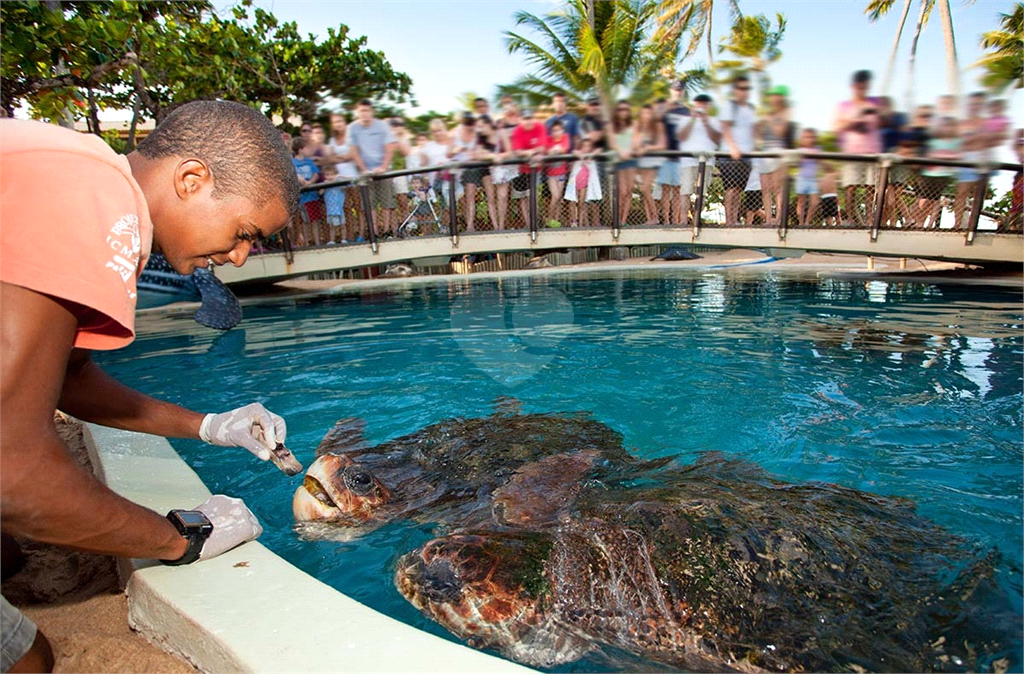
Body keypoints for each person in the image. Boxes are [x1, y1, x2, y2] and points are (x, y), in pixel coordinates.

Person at [0, 100, 301, 673]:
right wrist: (181, 537)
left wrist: (211, 427)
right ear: (192, 179)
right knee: (27, 660)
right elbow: (12, 472)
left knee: (8, 556)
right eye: (244, 233)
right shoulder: (94, 198)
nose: (239, 257)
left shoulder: (70, 170)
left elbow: (71, 381)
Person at [833, 70, 882, 226]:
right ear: (854, 86)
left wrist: (874, 113)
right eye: (860, 86)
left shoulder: (875, 103)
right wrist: (856, 119)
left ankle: (869, 220)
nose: (863, 89)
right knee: (851, 186)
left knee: (870, 187)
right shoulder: (844, 106)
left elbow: (883, 122)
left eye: (866, 86)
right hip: (852, 152)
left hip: (872, 151)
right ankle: (849, 219)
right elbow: (838, 127)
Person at [347, 99, 398, 238]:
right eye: (361, 111)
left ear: (371, 111)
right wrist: (363, 170)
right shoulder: (353, 128)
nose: (364, 114)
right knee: (370, 204)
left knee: (387, 202)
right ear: (357, 112)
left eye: (367, 110)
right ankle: (374, 232)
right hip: (366, 172)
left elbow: (390, 148)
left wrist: (383, 167)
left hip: (383, 170)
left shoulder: (382, 126)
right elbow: (354, 151)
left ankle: (387, 231)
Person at [676, 93, 720, 228]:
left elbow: (717, 139)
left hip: (706, 162)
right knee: (685, 191)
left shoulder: (714, 121)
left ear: (709, 106)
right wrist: (693, 119)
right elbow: (681, 136)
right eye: (699, 103)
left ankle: (696, 219)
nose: (701, 106)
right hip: (688, 161)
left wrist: (706, 122)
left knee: (701, 192)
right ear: (694, 105)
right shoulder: (685, 120)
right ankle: (683, 220)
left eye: (704, 104)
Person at [719, 74, 757, 225]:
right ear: (735, 90)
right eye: (741, 88)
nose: (744, 91)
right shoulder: (729, 105)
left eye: (747, 88)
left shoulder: (750, 109)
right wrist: (733, 147)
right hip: (730, 154)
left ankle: (734, 219)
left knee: (739, 189)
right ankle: (729, 220)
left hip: (747, 155)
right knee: (731, 187)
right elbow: (725, 127)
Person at [757, 85, 796, 226]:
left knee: (778, 188)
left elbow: (781, 132)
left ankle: (779, 219)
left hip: (779, 153)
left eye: (776, 95)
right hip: (764, 153)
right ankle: (768, 219)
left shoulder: (787, 112)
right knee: (766, 189)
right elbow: (759, 136)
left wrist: (770, 120)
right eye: (772, 95)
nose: (773, 98)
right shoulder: (767, 114)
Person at [915, 116, 960, 229]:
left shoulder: (955, 142)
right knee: (924, 199)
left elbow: (956, 155)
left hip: (943, 175)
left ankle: (930, 224)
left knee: (935, 200)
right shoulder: (934, 141)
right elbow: (928, 153)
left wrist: (945, 156)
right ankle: (919, 222)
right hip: (929, 173)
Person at [656, 81, 691, 225]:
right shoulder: (664, 109)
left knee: (677, 190)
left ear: (683, 92)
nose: (677, 92)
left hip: (680, 156)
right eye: (675, 89)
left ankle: (676, 220)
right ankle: (666, 219)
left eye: (680, 90)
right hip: (665, 156)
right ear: (671, 91)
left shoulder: (686, 111)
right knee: (665, 189)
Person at [510, 109, 548, 229]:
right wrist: (532, 152)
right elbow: (517, 151)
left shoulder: (539, 126)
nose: (528, 121)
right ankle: (528, 224)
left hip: (534, 169)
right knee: (522, 197)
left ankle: (535, 222)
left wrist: (527, 152)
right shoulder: (517, 131)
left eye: (530, 118)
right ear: (520, 120)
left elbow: (542, 147)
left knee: (533, 196)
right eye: (525, 119)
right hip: (521, 169)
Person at [633, 104, 666, 225]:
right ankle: (649, 219)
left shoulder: (657, 127)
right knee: (644, 190)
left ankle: (655, 217)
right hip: (641, 162)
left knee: (645, 188)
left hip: (653, 162)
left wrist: (648, 148)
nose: (646, 116)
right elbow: (635, 144)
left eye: (648, 113)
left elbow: (662, 145)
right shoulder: (639, 128)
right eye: (644, 113)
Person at [292, 136, 324, 246]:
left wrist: (310, 182)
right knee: (305, 222)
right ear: (300, 149)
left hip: (312, 196)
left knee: (315, 221)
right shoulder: (293, 162)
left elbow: (316, 173)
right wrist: (302, 181)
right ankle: (306, 243)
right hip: (303, 199)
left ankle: (317, 242)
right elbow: (295, 175)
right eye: (306, 148)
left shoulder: (309, 161)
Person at [565, 137, 602, 227]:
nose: (586, 148)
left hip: (584, 184)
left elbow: (599, 150)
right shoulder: (578, 154)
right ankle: (573, 221)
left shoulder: (591, 157)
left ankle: (581, 223)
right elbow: (574, 152)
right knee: (572, 201)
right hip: (575, 181)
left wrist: (591, 155)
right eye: (584, 146)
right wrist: (581, 155)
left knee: (582, 203)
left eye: (588, 146)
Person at [610, 100, 637, 226]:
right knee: (622, 191)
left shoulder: (633, 125)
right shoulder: (612, 126)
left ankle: (623, 220)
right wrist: (621, 152)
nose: (623, 112)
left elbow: (637, 140)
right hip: (619, 161)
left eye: (626, 109)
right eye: (620, 109)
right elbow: (612, 143)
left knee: (629, 191)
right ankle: (617, 218)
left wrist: (631, 150)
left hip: (631, 161)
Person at [544, 119, 571, 227]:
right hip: (551, 174)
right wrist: (555, 150)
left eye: (558, 130)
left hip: (562, 173)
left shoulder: (565, 137)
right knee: (555, 195)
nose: (556, 132)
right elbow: (547, 151)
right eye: (554, 130)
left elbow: (564, 148)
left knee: (559, 197)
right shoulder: (548, 139)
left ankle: (556, 220)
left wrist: (555, 150)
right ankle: (549, 218)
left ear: (562, 130)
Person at [795, 128, 820, 227]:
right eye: (805, 137)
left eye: (810, 137)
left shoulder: (817, 150)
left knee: (815, 202)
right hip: (802, 178)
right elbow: (796, 163)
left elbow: (820, 162)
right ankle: (801, 222)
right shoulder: (800, 150)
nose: (808, 139)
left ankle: (807, 221)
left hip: (813, 179)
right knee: (801, 201)